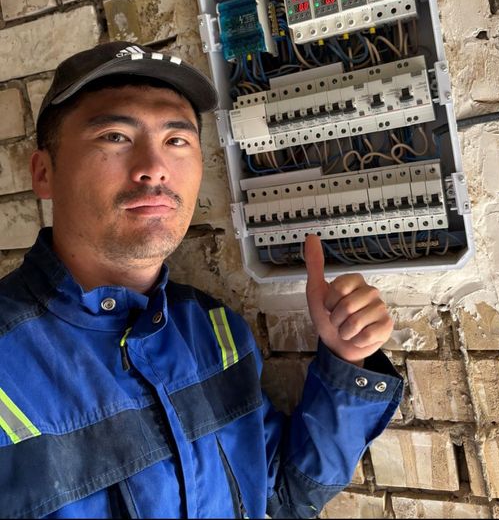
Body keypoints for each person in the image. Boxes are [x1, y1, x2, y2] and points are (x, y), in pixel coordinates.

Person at [0, 41, 402, 519]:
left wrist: (346, 358)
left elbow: (283, 497)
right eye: (115, 136)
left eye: (176, 140)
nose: (154, 167)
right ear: (44, 172)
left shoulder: (215, 330)